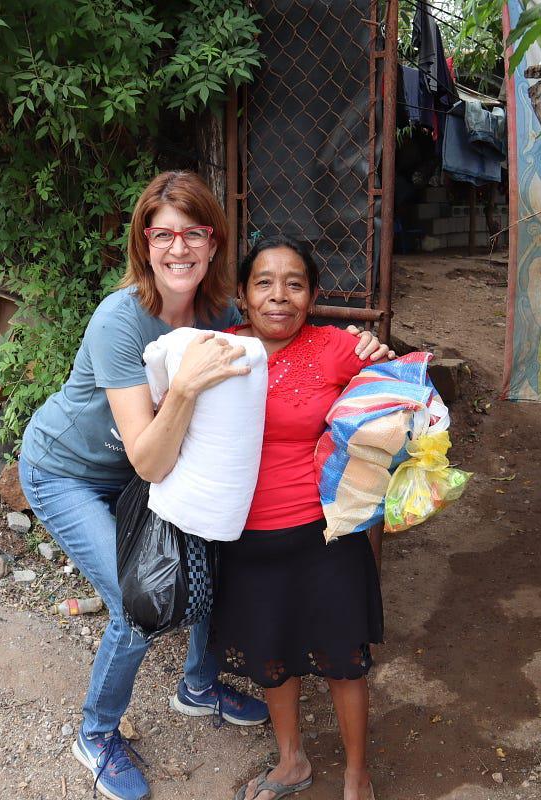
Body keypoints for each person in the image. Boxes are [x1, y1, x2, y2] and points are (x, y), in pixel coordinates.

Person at [18, 172, 388, 800]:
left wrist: (359, 346)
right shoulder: (121, 322)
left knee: (211, 561)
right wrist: (185, 387)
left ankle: (198, 685)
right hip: (74, 470)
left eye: (193, 233)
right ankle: (97, 733)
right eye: (163, 235)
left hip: (150, 471)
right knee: (139, 602)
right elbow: (148, 458)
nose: (179, 248)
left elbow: (286, 334)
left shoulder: (220, 311)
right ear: (144, 244)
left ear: (214, 244)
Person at [211, 235, 385, 800]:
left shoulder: (335, 348)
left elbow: (399, 396)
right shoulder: (219, 352)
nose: (278, 296)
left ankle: (357, 777)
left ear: (311, 296)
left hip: (325, 537)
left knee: (343, 662)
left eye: (294, 283)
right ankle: (293, 763)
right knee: (272, 659)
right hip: (245, 539)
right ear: (242, 294)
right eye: (263, 282)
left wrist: (377, 353)